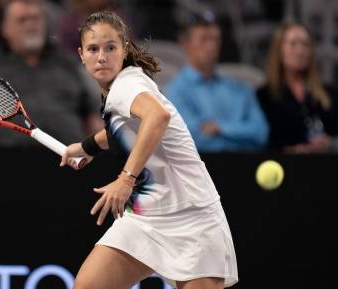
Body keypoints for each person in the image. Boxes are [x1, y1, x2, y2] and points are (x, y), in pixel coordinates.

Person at [60, 11, 238, 289]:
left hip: (192, 217)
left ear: (124, 49)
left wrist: (126, 178)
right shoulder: (121, 87)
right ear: (81, 54)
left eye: (110, 47)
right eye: (93, 49)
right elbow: (126, 130)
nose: (102, 56)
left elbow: (157, 117)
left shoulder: (126, 85)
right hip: (146, 217)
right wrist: (87, 147)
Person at [0, 0, 102, 146]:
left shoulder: (67, 63)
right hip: (10, 157)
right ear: (4, 28)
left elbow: (91, 106)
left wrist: (94, 119)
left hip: (68, 155)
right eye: (22, 20)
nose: (31, 25)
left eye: (36, 19)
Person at [166, 13, 269, 152]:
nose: (211, 46)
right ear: (185, 44)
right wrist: (240, 137)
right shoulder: (175, 91)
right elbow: (190, 141)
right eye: (204, 39)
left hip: (245, 166)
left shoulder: (240, 88)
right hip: (204, 168)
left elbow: (261, 133)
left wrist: (220, 128)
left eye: (215, 39)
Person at [257, 22, 338, 153]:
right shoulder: (264, 96)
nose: (300, 51)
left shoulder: (329, 93)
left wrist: (331, 143)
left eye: (306, 44)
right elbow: (261, 140)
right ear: (279, 49)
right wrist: (291, 150)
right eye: (293, 44)